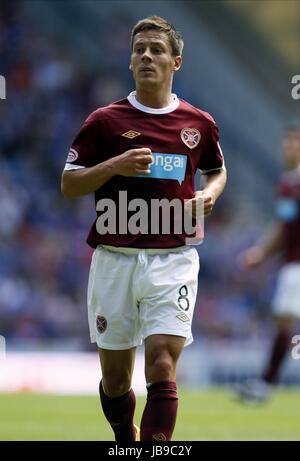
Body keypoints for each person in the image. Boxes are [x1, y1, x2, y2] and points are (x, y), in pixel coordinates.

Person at [61, 16, 227, 441]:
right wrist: (116, 164)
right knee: (116, 381)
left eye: (156, 49)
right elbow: (69, 184)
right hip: (114, 260)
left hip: (174, 259)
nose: (146, 56)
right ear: (130, 60)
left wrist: (210, 195)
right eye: (139, 50)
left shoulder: (198, 123)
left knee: (161, 364)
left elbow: (217, 171)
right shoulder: (104, 121)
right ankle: (124, 436)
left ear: (177, 61)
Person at [236, 122, 300, 403]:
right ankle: (265, 384)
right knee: (283, 320)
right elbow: (283, 224)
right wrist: (261, 251)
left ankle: (265, 383)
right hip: (292, 262)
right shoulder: (288, 182)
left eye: (295, 142)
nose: (288, 147)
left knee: (284, 319)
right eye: (286, 142)